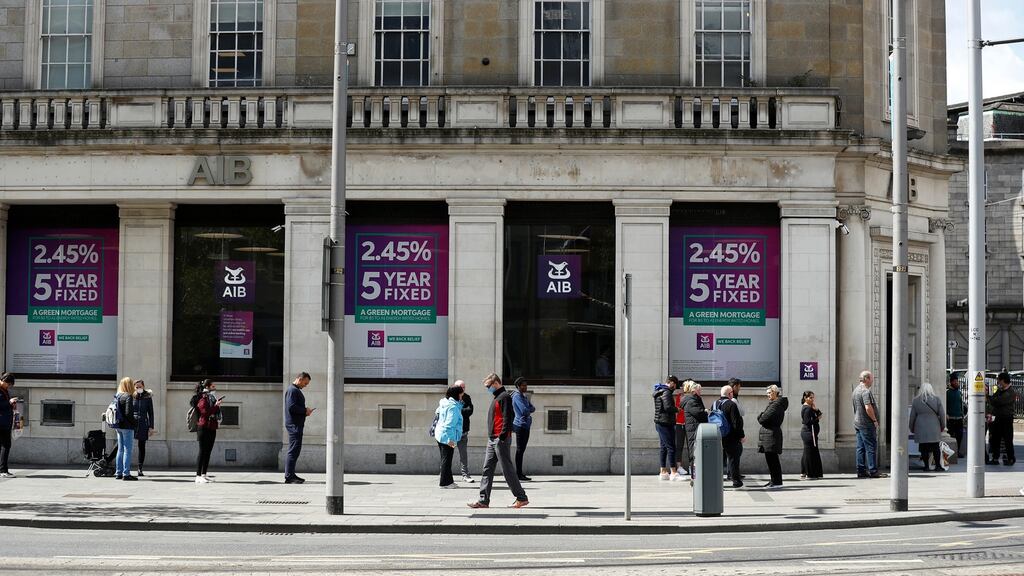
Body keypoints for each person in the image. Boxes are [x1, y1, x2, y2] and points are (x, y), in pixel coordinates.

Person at [468, 373, 529, 509]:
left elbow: (508, 417)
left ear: (496, 383)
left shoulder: (505, 397)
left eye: (488, 386)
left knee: (507, 469)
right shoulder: (497, 397)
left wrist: (502, 436)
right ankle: (483, 500)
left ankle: (521, 498)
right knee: (487, 469)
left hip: (500, 439)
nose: (488, 389)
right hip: (493, 439)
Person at [852, 370, 886, 478]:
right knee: (871, 447)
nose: (872, 381)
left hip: (858, 422)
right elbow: (868, 407)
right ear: (866, 379)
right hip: (866, 424)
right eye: (871, 378)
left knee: (860, 447)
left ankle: (861, 470)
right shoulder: (865, 391)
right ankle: (873, 470)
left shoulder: (856, 390)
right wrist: (875, 420)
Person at [284, 372, 314, 484]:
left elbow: (294, 407)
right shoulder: (293, 390)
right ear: (300, 379)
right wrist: (305, 411)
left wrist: (305, 412)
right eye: (305, 383)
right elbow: (291, 407)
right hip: (294, 425)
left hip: (295, 424)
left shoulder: (294, 390)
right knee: (293, 450)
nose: (305, 386)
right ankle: (289, 476)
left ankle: (291, 474)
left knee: (295, 450)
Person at [909, 382, 946, 472]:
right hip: (934, 426)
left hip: (920, 426)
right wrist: (943, 425)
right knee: (935, 447)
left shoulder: (916, 400)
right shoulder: (937, 399)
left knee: (923, 447)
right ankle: (938, 466)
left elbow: (912, 416)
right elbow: (942, 414)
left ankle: (926, 466)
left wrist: (911, 427)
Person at [757, 384, 788, 488]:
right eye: (767, 394)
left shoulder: (775, 405)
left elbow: (763, 419)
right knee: (771, 459)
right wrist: (762, 415)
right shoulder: (774, 404)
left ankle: (776, 481)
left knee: (772, 460)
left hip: (771, 435)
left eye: (770, 393)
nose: (768, 395)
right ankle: (774, 480)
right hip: (770, 434)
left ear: (775, 393)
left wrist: (761, 415)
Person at [434, 385, 464, 488]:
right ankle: (444, 483)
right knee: (447, 459)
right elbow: (449, 425)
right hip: (447, 436)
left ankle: (449, 481)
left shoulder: (444, 403)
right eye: (461, 394)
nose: (462, 396)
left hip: (440, 434)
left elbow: (437, 412)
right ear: (457, 394)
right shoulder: (453, 407)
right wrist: (450, 440)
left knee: (445, 458)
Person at [714, 385, 744, 488]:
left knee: (719, 459)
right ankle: (736, 481)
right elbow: (736, 423)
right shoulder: (731, 404)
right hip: (731, 437)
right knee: (733, 459)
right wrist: (741, 435)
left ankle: (716, 480)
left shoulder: (715, 404)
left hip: (718, 435)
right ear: (730, 393)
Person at [193, 379, 222, 483]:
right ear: (208, 387)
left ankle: (204, 474)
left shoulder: (212, 398)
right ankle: (198, 475)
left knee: (208, 451)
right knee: (202, 451)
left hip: (212, 427)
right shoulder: (203, 398)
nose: (215, 388)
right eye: (213, 386)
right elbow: (205, 412)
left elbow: (214, 412)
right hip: (203, 427)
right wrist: (216, 406)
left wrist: (216, 406)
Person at [653, 379, 681, 481]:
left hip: (660, 423)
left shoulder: (659, 391)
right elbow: (668, 407)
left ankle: (663, 472)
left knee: (664, 447)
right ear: (672, 383)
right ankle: (673, 472)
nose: (675, 388)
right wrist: (677, 409)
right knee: (671, 447)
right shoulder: (667, 392)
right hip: (666, 423)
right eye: (675, 385)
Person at [113, 377, 138, 481]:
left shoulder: (117, 396)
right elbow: (128, 413)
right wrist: (135, 422)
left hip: (118, 426)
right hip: (127, 427)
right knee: (128, 450)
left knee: (120, 449)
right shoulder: (128, 396)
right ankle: (126, 473)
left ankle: (118, 472)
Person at [990, 372, 1018, 466]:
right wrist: (994, 399)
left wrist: (995, 399)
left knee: (1007, 439)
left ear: (1003, 380)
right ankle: (995, 458)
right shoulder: (1000, 390)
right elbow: (993, 399)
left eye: (998, 380)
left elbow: (997, 401)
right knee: (995, 438)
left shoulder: (1010, 392)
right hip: (998, 418)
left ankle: (1011, 458)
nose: (998, 382)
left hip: (1006, 418)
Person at [681, 382, 708, 480]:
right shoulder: (691, 401)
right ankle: (695, 478)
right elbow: (699, 413)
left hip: (695, 428)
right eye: (699, 390)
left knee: (696, 454)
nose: (700, 391)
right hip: (694, 429)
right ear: (693, 391)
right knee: (694, 455)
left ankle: (696, 477)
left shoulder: (694, 399)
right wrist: (705, 411)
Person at [511, 377, 536, 482]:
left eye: (526, 385)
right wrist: (528, 409)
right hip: (520, 425)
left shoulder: (524, 397)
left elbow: (533, 408)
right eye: (523, 385)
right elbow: (524, 411)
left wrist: (529, 409)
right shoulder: (517, 396)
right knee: (520, 450)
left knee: (522, 450)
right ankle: (518, 474)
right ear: (518, 386)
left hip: (526, 425)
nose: (525, 387)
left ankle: (519, 473)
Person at [453, 379, 475, 483]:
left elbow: (470, 410)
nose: (462, 389)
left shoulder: (467, 397)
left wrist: (459, 410)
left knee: (463, 454)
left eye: (464, 387)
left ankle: (465, 474)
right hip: (451, 432)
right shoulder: (450, 398)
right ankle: (445, 474)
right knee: (448, 453)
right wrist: (462, 411)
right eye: (460, 387)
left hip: (463, 430)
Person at [133, 379, 155, 477]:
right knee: (122, 443)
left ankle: (140, 468)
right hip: (133, 423)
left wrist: (151, 426)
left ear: (143, 386)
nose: (138, 388)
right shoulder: (132, 396)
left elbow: (151, 413)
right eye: (136, 387)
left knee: (141, 446)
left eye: (140, 387)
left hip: (143, 423)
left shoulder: (147, 397)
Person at [799, 390, 823, 479]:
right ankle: (809, 473)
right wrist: (817, 419)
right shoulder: (807, 408)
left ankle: (804, 472)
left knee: (807, 452)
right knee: (809, 453)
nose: (812, 399)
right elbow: (807, 422)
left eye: (813, 397)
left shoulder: (809, 407)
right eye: (810, 397)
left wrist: (816, 410)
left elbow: (818, 413)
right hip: (809, 433)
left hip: (810, 433)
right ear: (806, 398)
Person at [724, 377, 743, 480]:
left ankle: (733, 473)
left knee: (732, 454)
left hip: (728, 432)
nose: (740, 388)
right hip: (732, 433)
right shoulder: (733, 401)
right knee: (734, 453)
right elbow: (737, 419)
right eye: (739, 386)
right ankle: (733, 475)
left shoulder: (723, 401)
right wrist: (741, 434)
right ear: (734, 387)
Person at [671, 376, 688, 476]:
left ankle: (692, 466)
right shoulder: (680, 396)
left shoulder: (695, 396)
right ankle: (679, 466)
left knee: (692, 446)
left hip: (689, 423)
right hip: (680, 423)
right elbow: (678, 409)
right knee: (679, 445)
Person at [0, 373, 15, 478]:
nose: (8, 386)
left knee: (4, 446)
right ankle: (3, 470)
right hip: (2, 423)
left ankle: (3, 470)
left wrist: (11, 404)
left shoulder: (4, 390)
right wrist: (9, 402)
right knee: (6, 445)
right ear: (4, 380)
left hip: (5, 421)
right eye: (8, 384)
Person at [946, 373, 965, 458]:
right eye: (955, 381)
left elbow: (961, 405)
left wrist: (962, 415)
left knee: (959, 436)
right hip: (950, 419)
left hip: (959, 418)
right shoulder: (947, 393)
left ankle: (957, 451)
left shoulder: (959, 392)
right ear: (951, 382)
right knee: (950, 435)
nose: (957, 383)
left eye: (957, 381)